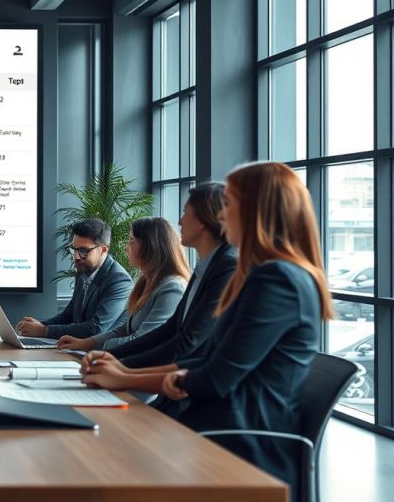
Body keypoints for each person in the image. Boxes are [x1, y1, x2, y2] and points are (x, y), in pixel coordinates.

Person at [82, 162, 332, 499]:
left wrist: (124, 377)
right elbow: (205, 359)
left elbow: (216, 376)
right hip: (218, 421)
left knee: (100, 455)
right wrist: (125, 372)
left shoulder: (277, 280)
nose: (222, 214)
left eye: (229, 204)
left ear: (256, 209)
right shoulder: (263, 273)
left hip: (235, 438)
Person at [93, 183, 236, 368]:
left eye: (186, 213)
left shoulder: (224, 267)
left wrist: (122, 368)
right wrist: (110, 356)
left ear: (202, 221)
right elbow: (168, 331)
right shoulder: (204, 266)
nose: (180, 222)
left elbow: (188, 342)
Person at [57, 217, 188, 351]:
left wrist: (96, 350)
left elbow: (143, 341)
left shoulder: (172, 288)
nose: (126, 248)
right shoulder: (146, 282)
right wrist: (86, 343)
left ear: (151, 246)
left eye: (131, 241)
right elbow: (125, 330)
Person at [16, 218, 132, 340]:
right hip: (77, 348)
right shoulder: (84, 271)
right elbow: (68, 315)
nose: (76, 257)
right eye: (74, 249)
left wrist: (45, 331)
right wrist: (38, 325)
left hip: (103, 354)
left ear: (103, 249)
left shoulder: (120, 281)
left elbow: (96, 328)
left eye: (83, 251)